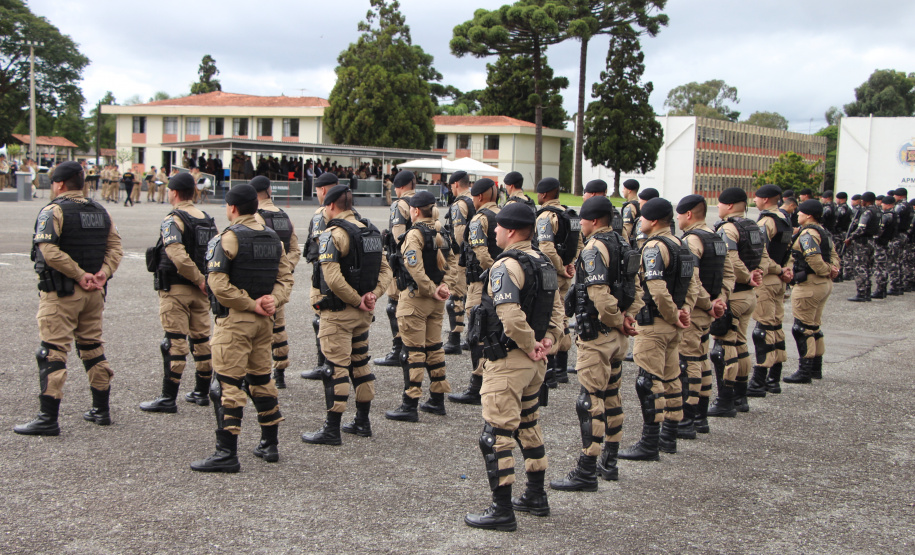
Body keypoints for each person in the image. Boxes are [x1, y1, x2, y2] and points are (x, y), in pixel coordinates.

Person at [464, 203, 564, 532]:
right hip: (535, 364)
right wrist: (548, 340)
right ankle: (536, 496)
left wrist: (529, 343)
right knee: (528, 425)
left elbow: (508, 314)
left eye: (497, 228)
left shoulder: (505, 266)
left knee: (497, 435)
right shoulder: (544, 262)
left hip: (509, 361)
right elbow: (557, 311)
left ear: (509, 231)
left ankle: (501, 509)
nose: (493, 232)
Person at [14, 162, 123, 436]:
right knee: (92, 347)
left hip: (62, 293)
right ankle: (101, 410)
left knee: (52, 351)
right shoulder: (101, 211)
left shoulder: (54, 210)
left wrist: (78, 274)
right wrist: (102, 274)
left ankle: (47, 418)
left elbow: (48, 250)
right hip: (94, 294)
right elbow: (115, 247)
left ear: (60, 184)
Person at [190, 184, 294, 472]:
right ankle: (269, 444)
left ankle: (226, 453)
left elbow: (218, 285)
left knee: (228, 384)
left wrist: (250, 304)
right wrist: (272, 301)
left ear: (232, 208)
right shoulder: (274, 238)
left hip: (236, 321)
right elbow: (286, 279)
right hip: (265, 322)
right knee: (261, 379)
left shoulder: (226, 238)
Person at [549, 196, 642, 491]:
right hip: (617, 336)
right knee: (612, 394)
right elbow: (634, 287)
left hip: (598, 335)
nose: (583, 227)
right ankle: (609, 463)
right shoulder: (623, 243)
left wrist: (615, 318)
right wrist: (627, 317)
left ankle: (587, 469)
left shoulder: (594, 249)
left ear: (592, 220)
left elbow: (599, 295)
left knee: (590, 400)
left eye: (585, 221)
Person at [301, 185, 392, 444]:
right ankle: (362, 422)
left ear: (330, 206)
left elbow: (332, 277)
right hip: (362, 315)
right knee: (360, 364)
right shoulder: (371, 231)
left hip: (339, 313)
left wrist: (357, 300)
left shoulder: (333, 234)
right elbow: (386, 270)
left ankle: (332, 429)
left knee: (336, 368)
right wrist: (372, 295)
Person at [618, 197, 699, 461]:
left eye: (642, 217)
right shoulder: (681, 244)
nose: (639, 221)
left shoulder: (653, 247)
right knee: (672, 378)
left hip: (655, 323)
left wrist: (674, 314)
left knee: (649, 381)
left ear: (653, 221)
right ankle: (669, 437)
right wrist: (684, 311)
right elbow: (692, 285)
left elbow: (656, 287)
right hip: (674, 325)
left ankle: (650, 442)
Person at [139, 172, 218, 413]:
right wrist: (206, 281)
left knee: (174, 342)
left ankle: (168, 397)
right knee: (201, 340)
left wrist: (198, 279)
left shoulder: (173, 219)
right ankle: (202, 392)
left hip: (177, 288)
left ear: (173, 192)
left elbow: (177, 255)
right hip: (201, 291)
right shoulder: (207, 218)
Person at [384, 190, 456, 422]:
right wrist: (444, 286)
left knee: (413, 352)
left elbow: (413, 266)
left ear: (415, 211)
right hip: (436, 302)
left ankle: (410, 403)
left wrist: (430, 288)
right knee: (434, 348)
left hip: (416, 299)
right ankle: (437, 399)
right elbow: (454, 262)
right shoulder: (441, 231)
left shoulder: (414, 234)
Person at [707, 187, 768, 417]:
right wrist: (758, 273)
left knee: (723, 347)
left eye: (720, 204)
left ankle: (725, 400)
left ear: (729, 205)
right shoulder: (753, 226)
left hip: (734, 294)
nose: (719, 208)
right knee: (740, 344)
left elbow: (730, 260)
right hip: (749, 295)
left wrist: (747, 276)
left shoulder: (728, 229)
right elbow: (764, 256)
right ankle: (741, 397)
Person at [676, 195, 732, 437]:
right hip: (710, 309)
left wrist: (709, 304)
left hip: (697, 310)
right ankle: (701, 418)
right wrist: (722, 300)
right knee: (701, 360)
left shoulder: (692, 240)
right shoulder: (717, 237)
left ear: (688, 214)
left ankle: (687, 420)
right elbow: (729, 274)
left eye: (679, 214)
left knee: (688, 363)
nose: (677, 219)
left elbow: (692, 278)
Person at [449, 178, 502, 405]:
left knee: (477, 333)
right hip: (503, 285)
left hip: (482, 284)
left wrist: (495, 272)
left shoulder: (479, 219)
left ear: (479, 197)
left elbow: (480, 253)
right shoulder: (504, 214)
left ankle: (477, 384)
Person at [250, 176, 301, 389]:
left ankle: (254, 374)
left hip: (260, 283)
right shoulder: (284, 216)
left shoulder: (254, 218)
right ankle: (280, 373)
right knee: (278, 328)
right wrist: (283, 273)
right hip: (279, 284)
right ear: (269, 190)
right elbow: (295, 250)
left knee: (254, 330)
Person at [783, 200, 840, 383]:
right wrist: (832, 269)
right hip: (822, 284)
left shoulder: (808, 234)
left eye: (799, 213)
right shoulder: (824, 232)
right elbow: (834, 255)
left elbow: (814, 259)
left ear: (808, 215)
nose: (797, 215)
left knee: (802, 328)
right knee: (814, 326)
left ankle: (805, 370)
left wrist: (826, 270)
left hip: (809, 284)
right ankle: (816, 367)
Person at [535, 177, 582, 388]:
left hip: (551, 275)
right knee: (562, 316)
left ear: (544, 195)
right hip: (566, 274)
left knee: (549, 317)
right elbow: (579, 243)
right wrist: (571, 265)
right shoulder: (570, 214)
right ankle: (562, 369)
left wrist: (560, 268)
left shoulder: (546, 216)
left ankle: (551, 371)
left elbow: (545, 248)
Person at [748, 185, 794, 398]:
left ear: (765, 199)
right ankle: (774, 378)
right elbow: (788, 250)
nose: (754, 200)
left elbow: (760, 252)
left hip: (768, 278)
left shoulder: (766, 221)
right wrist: (786, 270)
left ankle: (759, 380)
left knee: (764, 328)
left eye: (757, 197)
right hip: (778, 278)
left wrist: (777, 269)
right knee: (775, 326)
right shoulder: (784, 218)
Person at [374, 170, 418, 368]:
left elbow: (399, 236)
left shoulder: (399, 204)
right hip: (421, 260)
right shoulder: (424, 201)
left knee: (394, 304)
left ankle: (398, 349)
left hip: (401, 262)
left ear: (399, 187)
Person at [300, 172, 338, 381]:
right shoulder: (348, 208)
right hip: (344, 274)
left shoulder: (322, 213)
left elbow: (319, 243)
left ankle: (323, 363)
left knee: (321, 317)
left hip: (324, 273)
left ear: (322, 190)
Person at [443, 170, 474, 355]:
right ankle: (472, 336)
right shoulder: (476, 199)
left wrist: (460, 254)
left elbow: (459, 233)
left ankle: (455, 339)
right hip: (477, 256)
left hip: (461, 257)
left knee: (456, 297)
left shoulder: (459, 204)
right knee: (473, 297)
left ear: (455, 184)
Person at [844, 191, 880, 302]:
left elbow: (861, 229)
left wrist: (850, 238)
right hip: (871, 241)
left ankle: (862, 292)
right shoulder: (878, 211)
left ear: (866, 201)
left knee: (860, 267)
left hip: (862, 243)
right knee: (868, 267)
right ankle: (867, 292)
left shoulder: (867, 212)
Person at [872, 195, 898, 299]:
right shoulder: (895, 214)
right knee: (887, 266)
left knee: (880, 267)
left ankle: (880, 290)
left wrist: (875, 238)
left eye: (883, 203)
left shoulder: (886, 216)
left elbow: (880, 231)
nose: (881, 205)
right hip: (889, 242)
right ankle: (882, 289)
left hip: (882, 244)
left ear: (887, 204)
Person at [892, 187, 912, 294]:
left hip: (897, 235)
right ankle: (901, 284)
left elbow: (894, 220)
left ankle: (895, 285)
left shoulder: (899, 206)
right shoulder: (909, 206)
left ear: (899, 196)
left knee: (895, 261)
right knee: (902, 260)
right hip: (905, 235)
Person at [833, 192, 853, 283]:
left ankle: (837, 274)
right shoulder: (849, 209)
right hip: (844, 233)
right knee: (841, 253)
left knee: (837, 254)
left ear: (840, 199)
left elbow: (836, 220)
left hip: (838, 233)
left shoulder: (841, 209)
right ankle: (840, 274)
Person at [619, 178, 641, 245]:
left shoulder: (629, 207)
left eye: (624, 189)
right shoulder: (640, 204)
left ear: (629, 191)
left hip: (632, 243)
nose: (623, 191)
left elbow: (627, 228)